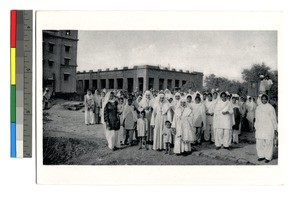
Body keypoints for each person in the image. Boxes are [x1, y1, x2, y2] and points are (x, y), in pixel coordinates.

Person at [255, 94, 278, 163]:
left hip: (268, 127)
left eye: (265, 99)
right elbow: (256, 118)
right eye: (262, 99)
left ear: (267, 100)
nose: (263, 100)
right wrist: (256, 126)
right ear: (261, 100)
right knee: (260, 142)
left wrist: (275, 128)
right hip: (260, 127)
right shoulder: (258, 107)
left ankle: (268, 157)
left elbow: (274, 118)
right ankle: (261, 155)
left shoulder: (270, 107)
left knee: (268, 142)